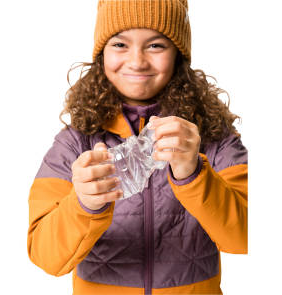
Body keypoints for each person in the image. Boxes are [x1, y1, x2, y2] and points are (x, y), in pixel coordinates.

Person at [27, 0, 248, 294]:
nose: (137, 61)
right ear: (101, 53)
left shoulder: (213, 135)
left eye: (155, 46)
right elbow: (45, 257)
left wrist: (193, 175)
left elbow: (247, 238)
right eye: (120, 44)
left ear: (178, 55)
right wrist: (84, 205)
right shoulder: (75, 141)